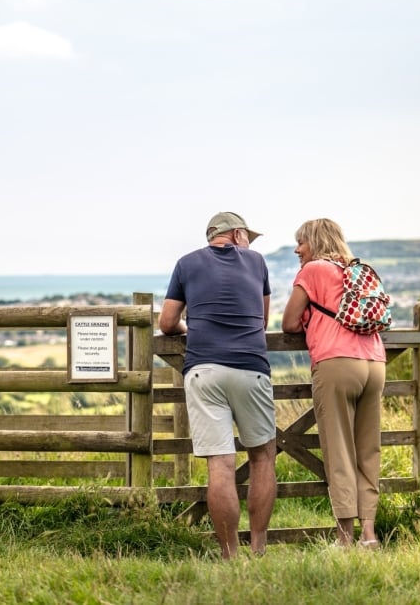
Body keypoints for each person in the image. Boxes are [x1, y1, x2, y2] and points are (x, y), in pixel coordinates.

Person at [159, 211, 277, 559]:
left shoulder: (186, 263)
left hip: (204, 369)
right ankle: (258, 548)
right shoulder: (257, 263)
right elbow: (263, 318)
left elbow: (167, 322)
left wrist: (190, 329)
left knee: (220, 464)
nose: (249, 244)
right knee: (262, 457)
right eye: (247, 237)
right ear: (237, 234)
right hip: (251, 368)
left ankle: (229, 554)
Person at [281, 218, 386, 550]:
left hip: (337, 362)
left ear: (315, 241)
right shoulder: (353, 270)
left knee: (339, 449)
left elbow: (288, 322)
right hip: (374, 361)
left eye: (301, 242)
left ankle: (344, 537)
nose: (297, 249)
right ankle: (369, 534)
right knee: (368, 449)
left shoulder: (313, 271)